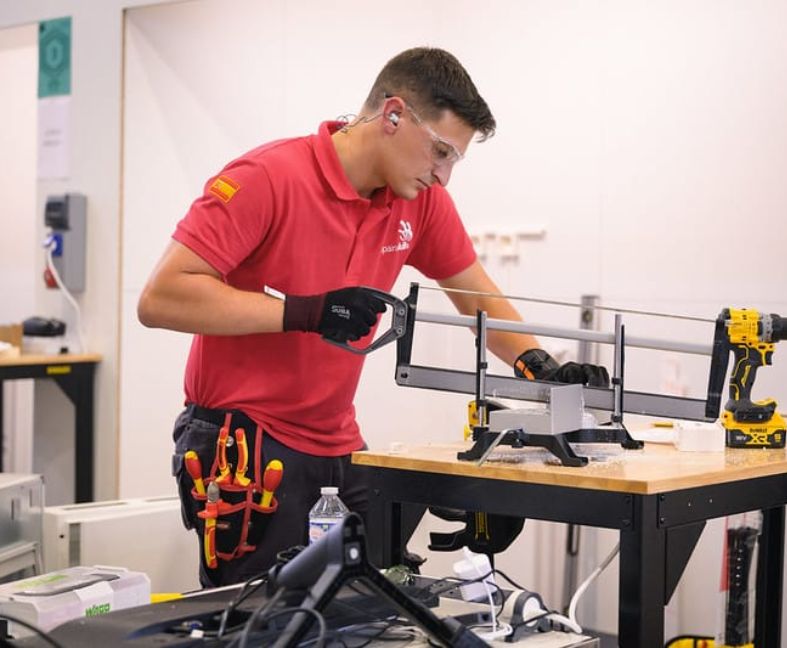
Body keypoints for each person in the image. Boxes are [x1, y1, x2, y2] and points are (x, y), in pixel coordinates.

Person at [138, 47, 608, 587]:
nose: (443, 176)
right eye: (439, 151)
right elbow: (161, 297)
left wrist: (540, 367)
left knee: (372, 607)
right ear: (392, 115)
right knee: (266, 623)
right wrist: (304, 311)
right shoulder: (266, 178)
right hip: (248, 442)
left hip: (338, 442)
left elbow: (475, 293)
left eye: (454, 160)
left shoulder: (418, 200)